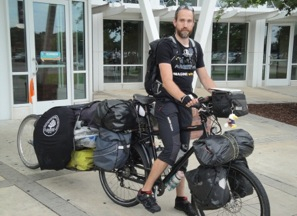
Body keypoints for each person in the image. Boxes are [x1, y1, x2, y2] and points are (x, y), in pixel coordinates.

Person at [136, 5, 216, 215]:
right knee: (171, 149)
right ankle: (145, 191)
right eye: (182, 20)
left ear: (193, 23)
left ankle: (181, 198)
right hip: (167, 102)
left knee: (182, 152)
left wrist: (220, 92)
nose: (185, 25)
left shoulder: (196, 47)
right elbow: (167, 80)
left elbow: (204, 77)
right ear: (174, 22)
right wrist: (184, 97)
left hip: (185, 104)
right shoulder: (166, 46)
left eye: (189, 21)